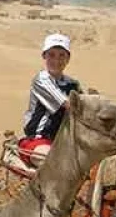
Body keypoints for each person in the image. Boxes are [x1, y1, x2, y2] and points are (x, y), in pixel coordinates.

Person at [19, 33, 82, 165]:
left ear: (68, 58)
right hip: (38, 140)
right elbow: (68, 104)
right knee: (55, 163)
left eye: (61, 55)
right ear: (44, 56)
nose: (56, 60)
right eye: (51, 55)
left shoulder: (73, 84)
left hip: (65, 142)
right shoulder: (42, 80)